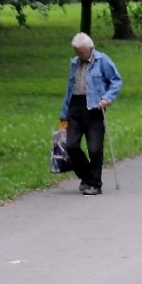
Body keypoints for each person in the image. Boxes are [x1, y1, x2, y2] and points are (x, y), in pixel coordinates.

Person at [60, 32, 123, 195]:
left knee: (94, 149)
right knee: (71, 146)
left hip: (94, 108)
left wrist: (107, 98)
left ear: (90, 48)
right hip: (75, 107)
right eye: (76, 51)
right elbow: (69, 89)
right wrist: (64, 112)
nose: (79, 54)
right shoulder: (74, 63)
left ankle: (95, 184)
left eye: (81, 52)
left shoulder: (102, 60)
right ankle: (87, 177)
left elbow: (116, 80)